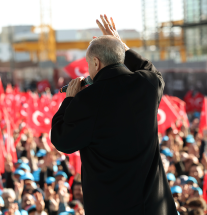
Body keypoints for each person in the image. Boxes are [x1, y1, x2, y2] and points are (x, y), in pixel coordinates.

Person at [51, 14, 177, 214]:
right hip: (153, 207)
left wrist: (69, 100)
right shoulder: (147, 84)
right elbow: (151, 71)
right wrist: (121, 45)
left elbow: (62, 140)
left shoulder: (87, 101)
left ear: (96, 62)